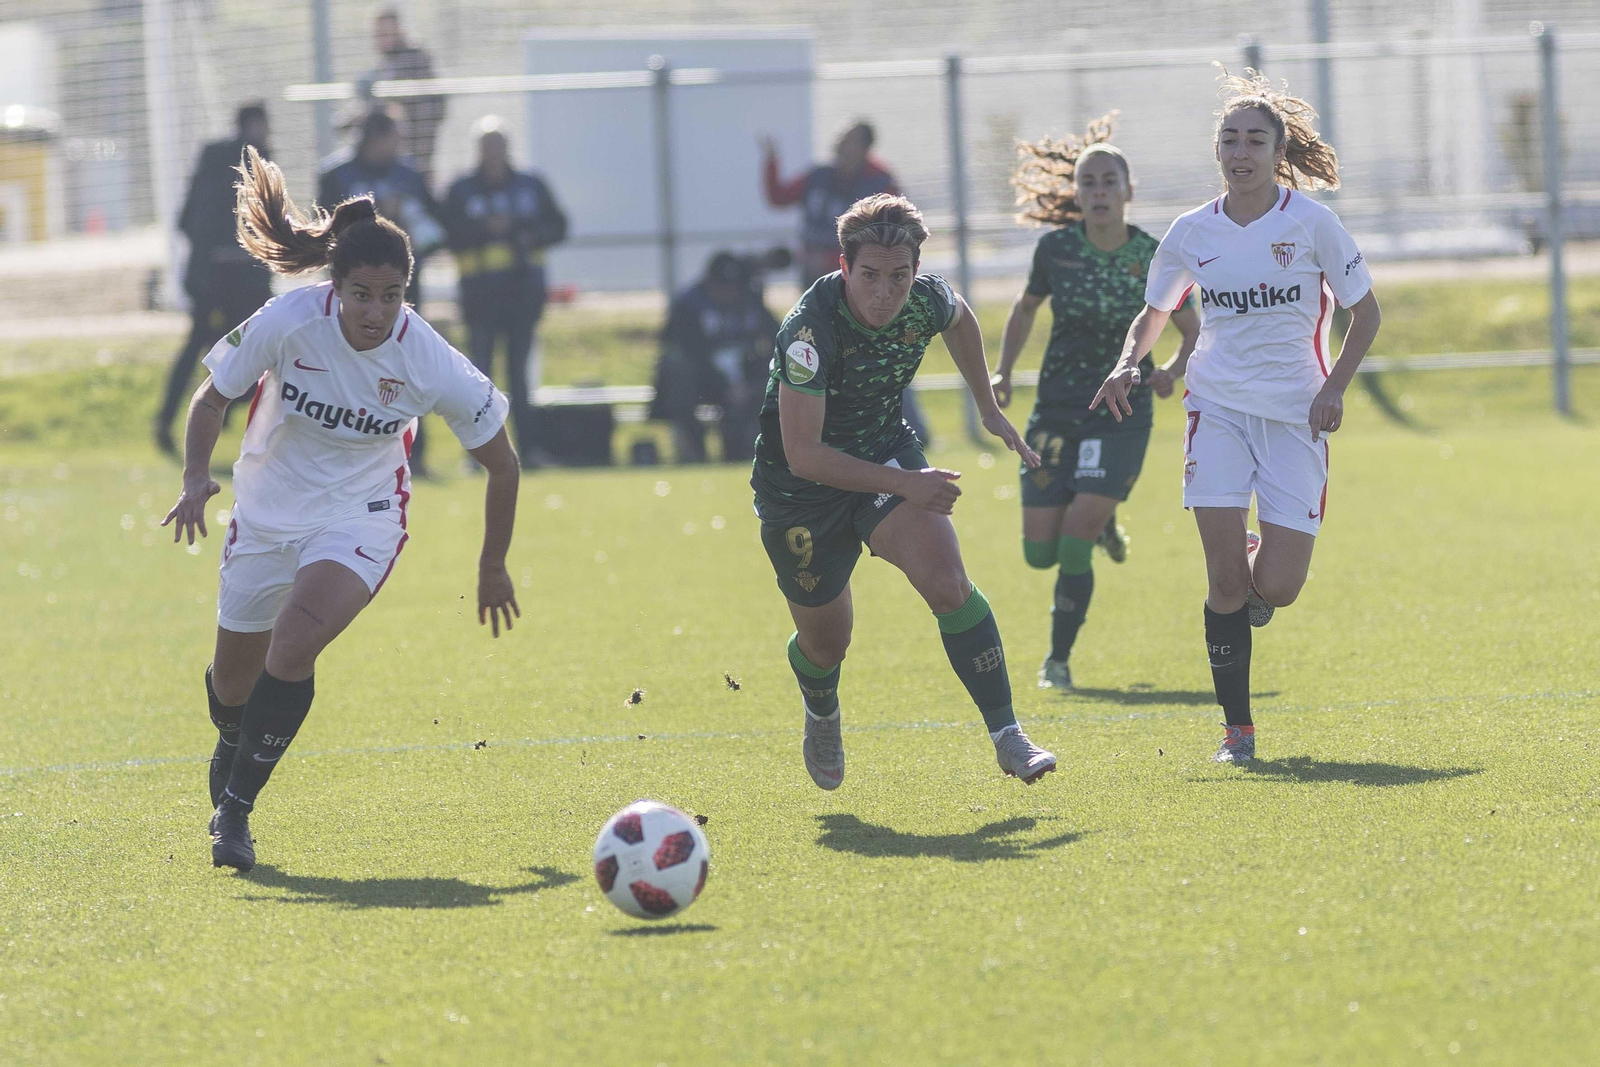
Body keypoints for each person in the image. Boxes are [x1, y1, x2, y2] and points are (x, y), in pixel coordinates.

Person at [161, 146, 521, 871]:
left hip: (360, 515)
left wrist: (492, 565)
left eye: (391, 296)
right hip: (265, 512)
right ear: (336, 286)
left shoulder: (427, 357)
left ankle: (235, 812)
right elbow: (213, 395)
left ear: (407, 293)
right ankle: (233, 739)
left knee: (292, 648)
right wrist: (197, 475)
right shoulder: (292, 318)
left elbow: (502, 462)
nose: (376, 311)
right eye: (362, 294)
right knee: (232, 685)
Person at [1091, 69, 1381, 763]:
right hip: (1215, 408)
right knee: (1224, 583)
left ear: (1277, 151)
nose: (1240, 151)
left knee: (1276, 586)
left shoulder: (1311, 223)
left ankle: (1259, 558)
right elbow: (1156, 309)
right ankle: (1238, 733)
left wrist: (1334, 386)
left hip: (1294, 416)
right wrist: (1129, 360)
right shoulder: (1193, 231)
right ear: (1217, 151)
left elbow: (1365, 313)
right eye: (1229, 139)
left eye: (1254, 139)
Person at [752, 193, 1056, 790]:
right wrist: (906, 483)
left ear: (916, 271)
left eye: (899, 276)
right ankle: (822, 711)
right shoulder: (808, 332)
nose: (885, 293)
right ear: (844, 268)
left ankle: (1008, 735)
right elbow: (805, 454)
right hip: (799, 493)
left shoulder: (926, 298)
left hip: (885, 452)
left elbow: (961, 316)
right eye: (870, 276)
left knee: (947, 581)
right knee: (826, 645)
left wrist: (987, 408)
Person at [993, 114, 1200, 690]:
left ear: (1129, 191)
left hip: (1121, 413)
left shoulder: (1153, 256)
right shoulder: (1055, 250)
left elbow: (1191, 326)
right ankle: (1102, 519)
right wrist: (1003, 372)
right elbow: (1026, 309)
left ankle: (1057, 661)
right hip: (1057, 409)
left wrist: (1174, 372)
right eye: (1089, 183)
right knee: (1040, 555)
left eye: (1110, 181)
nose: (1100, 192)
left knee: (1074, 539)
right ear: (1076, 193)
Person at [762, 122, 930, 444]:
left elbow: (892, 240)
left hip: (864, 283)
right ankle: (821, 433)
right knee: (817, 351)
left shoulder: (879, 182)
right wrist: (771, 160)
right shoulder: (819, 176)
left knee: (883, 353)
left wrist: (835, 263)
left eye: (849, 141)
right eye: (840, 139)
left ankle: (910, 429)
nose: (840, 145)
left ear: (866, 148)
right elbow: (779, 197)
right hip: (817, 284)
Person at [320, 107, 444, 476]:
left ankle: (413, 451)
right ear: (375, 138)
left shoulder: (409, 174)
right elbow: (322, 230)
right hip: (350, 291)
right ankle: (344, 449)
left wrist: (404, 218)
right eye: (393, 138)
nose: (398, 146)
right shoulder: (335, 174)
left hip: (398, 292)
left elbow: (436, 226)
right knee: (344, 368)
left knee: (406, 365)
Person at [442, 117, 568, 466]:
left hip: (522, 294)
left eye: (499, 146)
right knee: (478, 382)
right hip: (479, 297)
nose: (494, 154)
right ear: (478, 151)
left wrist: (525, 233)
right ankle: (478, 455)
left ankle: (528, 451)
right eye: (487, 147)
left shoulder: (530, 185)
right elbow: (446, 233)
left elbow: (559, 226)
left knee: (520, 378)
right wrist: (484, 229)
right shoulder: (462, 189)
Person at [155, 102, 275, 457]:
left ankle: (168, 420)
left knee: (203, 346)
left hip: (209, 276)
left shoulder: (211, 160)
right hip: (233, 278)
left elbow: (186, 220)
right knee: (249, 349)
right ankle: (217, 410)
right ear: (255, 125)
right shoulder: (253, 162)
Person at [651, 251, 780, 463]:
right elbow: (687, 352)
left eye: (734, 286)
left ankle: (761, 449)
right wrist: (724, 384)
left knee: (778, 373)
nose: (730, 292)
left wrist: (754, 385)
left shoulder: (751, 302)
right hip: (704, 381)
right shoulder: (688, 306)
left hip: (747, 380)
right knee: (677, 370)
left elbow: (778, 339)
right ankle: (693, 451)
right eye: (723, 286)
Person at [359, 6, 446, 185]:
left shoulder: (414, 58)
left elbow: (427, 107)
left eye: (387, 33)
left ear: (399, 31)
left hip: (414, 145)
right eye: (378, 34)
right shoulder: (385, 63)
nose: (382, 39)